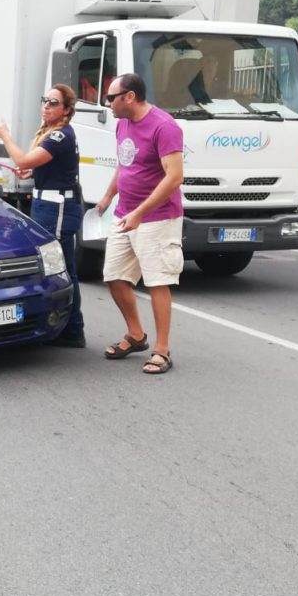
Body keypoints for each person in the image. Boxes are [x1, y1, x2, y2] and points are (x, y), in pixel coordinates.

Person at [0, 84, 86, 348]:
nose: (47, 106)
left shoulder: (60, 136)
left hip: (57, 207)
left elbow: (24, 160)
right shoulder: (50, 133)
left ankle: (71, 329)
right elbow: (38, 166)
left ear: (66, 109)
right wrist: (34, 174)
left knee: (60, 267)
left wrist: (5, 136)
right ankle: (68, 327)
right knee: (60, 266)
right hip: (47, 203)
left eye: (53, 102)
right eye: (45, 101)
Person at [96, 73, 185, 374]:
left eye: (111, 97)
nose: (107, 103)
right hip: (124, 214)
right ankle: (136, 335)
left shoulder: (164, 126)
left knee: (158, 280)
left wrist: (140, 213)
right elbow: (125, 164)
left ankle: (162, 350)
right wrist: (109, 196)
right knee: (114, 276)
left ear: (129, 97)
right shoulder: (123, 123)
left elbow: (175, 177)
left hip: (157, 218)